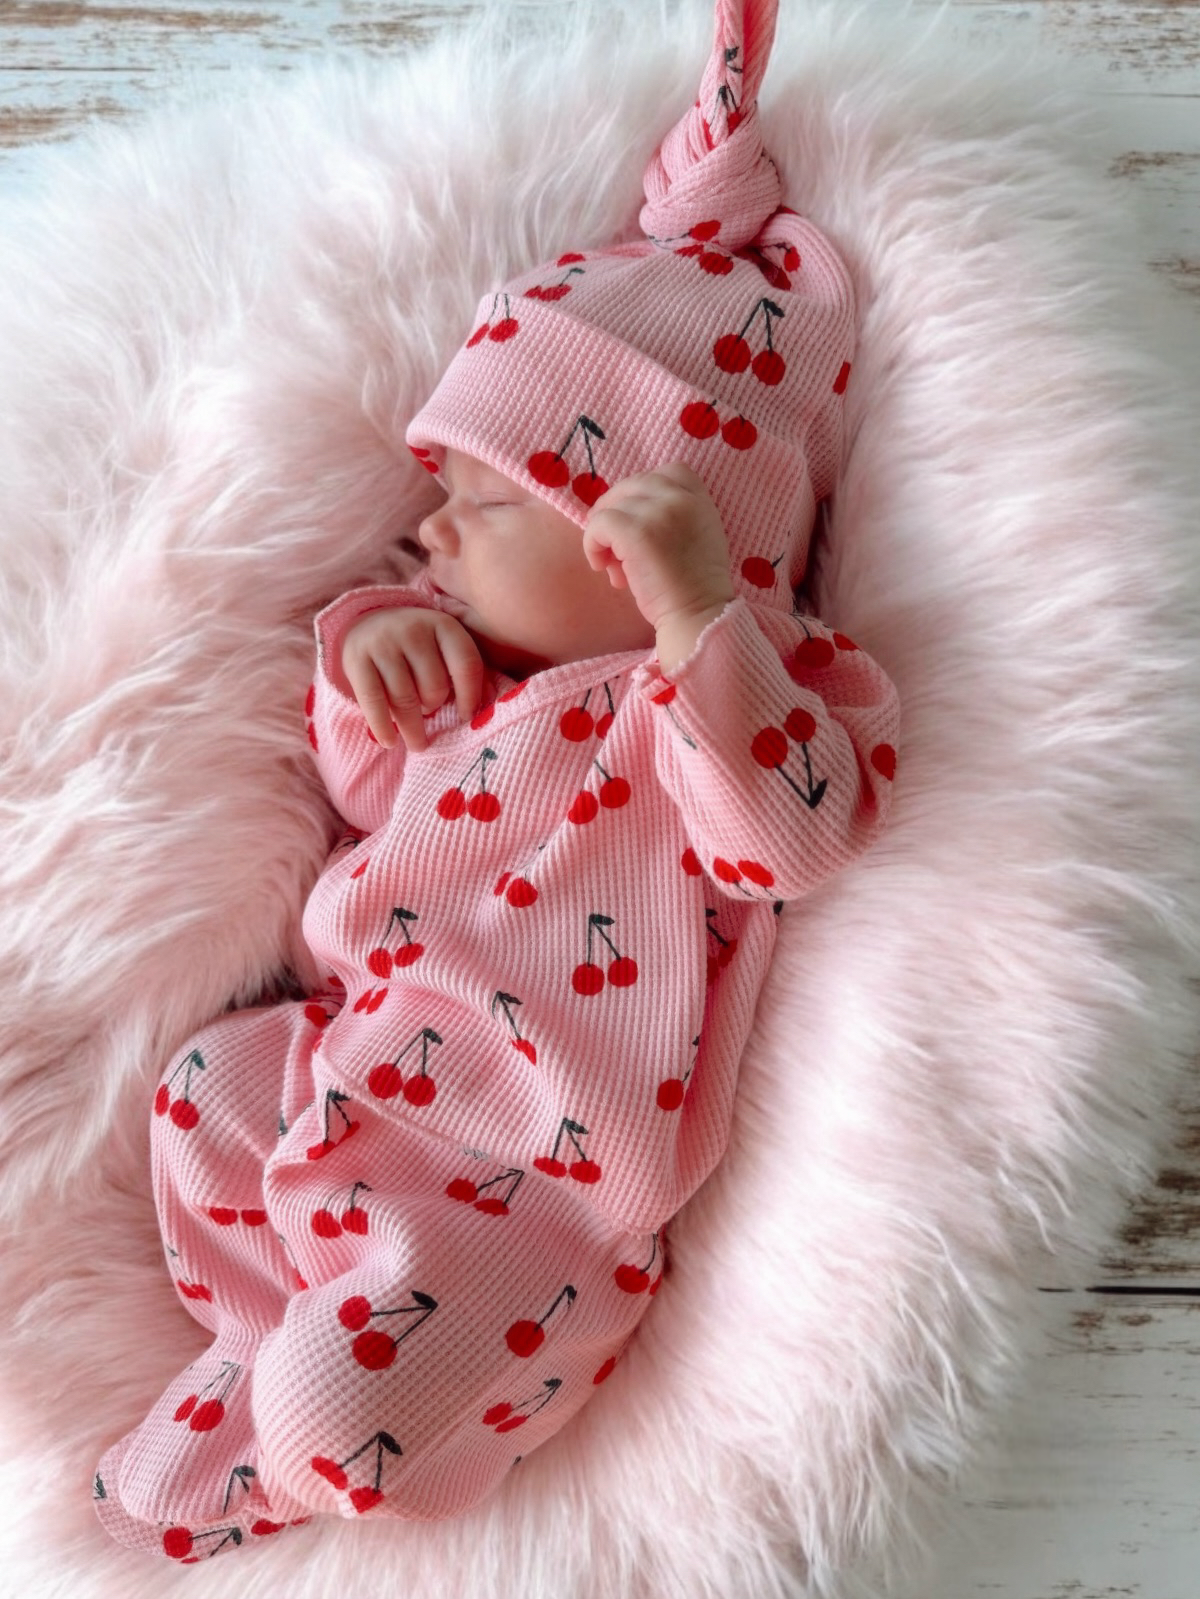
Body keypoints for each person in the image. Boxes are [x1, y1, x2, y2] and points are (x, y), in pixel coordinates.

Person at [92, 0, 900, 1561]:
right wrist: (373, 670)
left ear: (633, 528)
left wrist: (699, 622)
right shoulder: (487, 684)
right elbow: (362, 803)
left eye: (478, 496)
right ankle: (253, 1345)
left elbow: (788, 838)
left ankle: (292, 1435)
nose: (437, 531)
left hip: (529, 1192)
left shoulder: (731, 705)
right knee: (202, 1093)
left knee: (350, 1407)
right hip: (348, 1067)